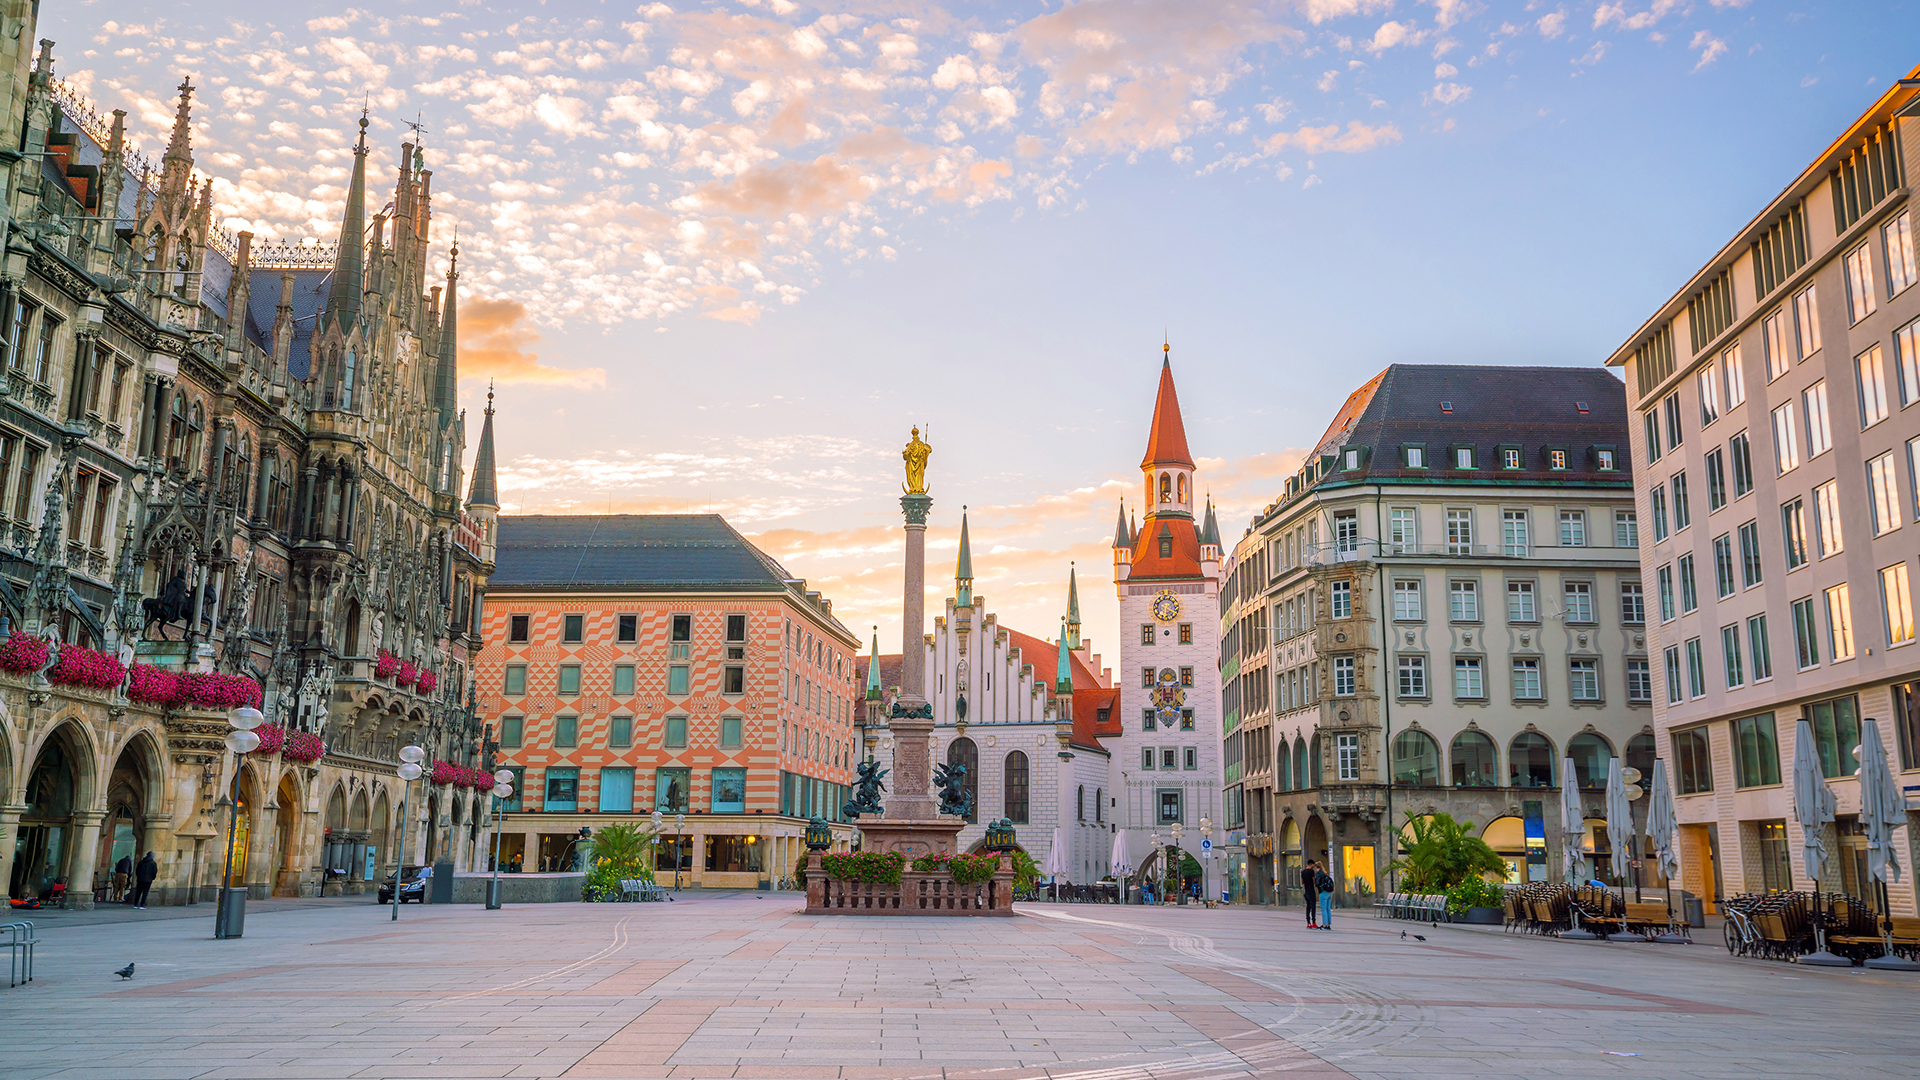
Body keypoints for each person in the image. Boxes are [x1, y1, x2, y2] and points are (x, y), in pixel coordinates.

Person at [1314, 863, 1335, 930]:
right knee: (1328, 909)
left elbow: (1317, 883)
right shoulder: (1325, 873)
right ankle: (1328, 924)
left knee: (1323, 909)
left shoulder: (1318, 873)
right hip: (1329, 892)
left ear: (1316, 867)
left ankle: (1324, 924)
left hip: (1323, 892)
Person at [1301, 860, 1319, 927]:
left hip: (1306, 891)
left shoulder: (1303, 872)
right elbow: (1314, 881)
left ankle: (1308, 922)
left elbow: (1302, 882)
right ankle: (1314, 922)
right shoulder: (1311, 871)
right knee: (1313, 907)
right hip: (1311, 891)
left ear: (1307, 864)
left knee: (1308, 907)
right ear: (1312, 865)